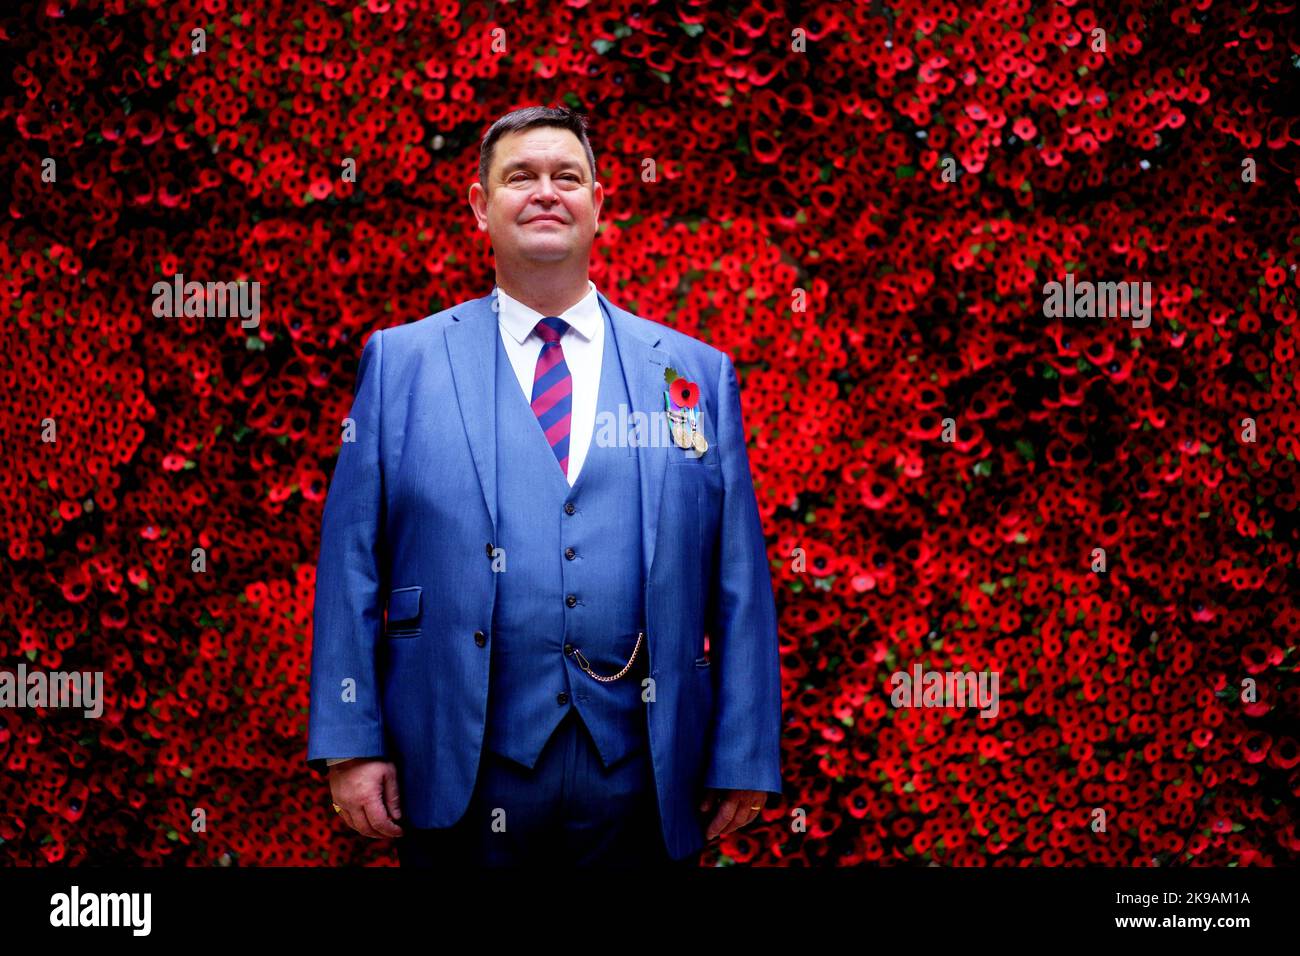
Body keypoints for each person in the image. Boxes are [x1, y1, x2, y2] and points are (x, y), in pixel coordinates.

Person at [306, 105, 782, 866]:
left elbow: (739, 581)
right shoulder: (402, 364)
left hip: (647, 777)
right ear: (479, 206)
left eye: (568, 177)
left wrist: (746, 752)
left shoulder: (691, 374)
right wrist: (349, 743)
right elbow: (352, 562)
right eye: (519, 177)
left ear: (600, 204)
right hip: (459, 767)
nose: (545, 192)